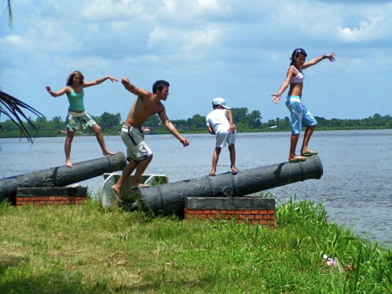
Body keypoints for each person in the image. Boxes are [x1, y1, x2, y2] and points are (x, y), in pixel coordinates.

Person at [111, 78, 190, 201]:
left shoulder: (160, 107)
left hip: (136, 132)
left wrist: (180, 138)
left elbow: (167, 123)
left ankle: (118, 186)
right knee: (147, 156)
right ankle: (135, 182)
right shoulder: (146, 95)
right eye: (165, 91)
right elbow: (133, 89)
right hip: (129, 130)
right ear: (157, 91)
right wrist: (125, 83)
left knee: (134, 161)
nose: (168, 93)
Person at [271, 48, 336, 163]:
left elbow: (312, 62)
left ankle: (304, 149)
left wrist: (324, 57)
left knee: (312, 123)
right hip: (293, 100)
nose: (302, 61)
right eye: (300, 59)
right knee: (296, 129)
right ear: (294, 58)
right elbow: (286, 81)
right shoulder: (292, 69)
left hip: (299, 101)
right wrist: (279, 93)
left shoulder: (300, 68)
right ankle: (291, 155)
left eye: (303, 59)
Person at [46, 70, 118, 168]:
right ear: (72, 78)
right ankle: (67, 159)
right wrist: (51, 92)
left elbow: (95, 82)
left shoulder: (81, 86)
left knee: (98, 130)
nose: (77, 80)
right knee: (69, 138)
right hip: (73, 116)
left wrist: (107, 77)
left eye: (79, 78)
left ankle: (105, 150)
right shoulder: (68, 88)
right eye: (76, 78)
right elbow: (57, 94)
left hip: (83, 114)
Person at [206, 97, 239, 176]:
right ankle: (233, 167)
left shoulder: (208, 116)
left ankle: (213, 170)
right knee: (231, 147)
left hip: (220, 131)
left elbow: (210, 131)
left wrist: (218, 132)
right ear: (220, 106)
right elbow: (229, 112)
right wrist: (231, 124)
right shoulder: (225, 110)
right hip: (231, 129)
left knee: (217, 150)